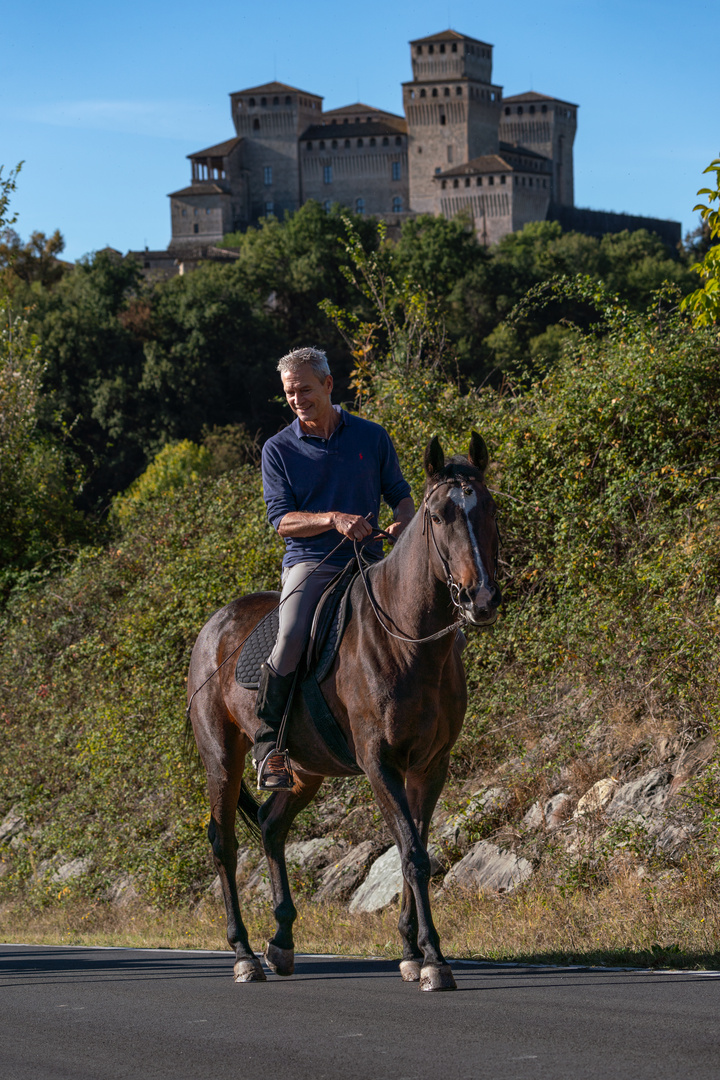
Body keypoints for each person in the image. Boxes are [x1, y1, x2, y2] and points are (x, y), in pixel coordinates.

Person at [254, 346, 415, 789]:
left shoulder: (372, 436)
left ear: (328, 384)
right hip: (311, 564)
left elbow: (399, 492)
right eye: (289, 392)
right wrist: (331, 518)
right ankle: (269, 746)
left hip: (371, 560)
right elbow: (281, 521)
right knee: (289, 637)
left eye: (304, 389)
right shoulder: (277, 450)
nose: (297, 399)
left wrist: (403, 518)